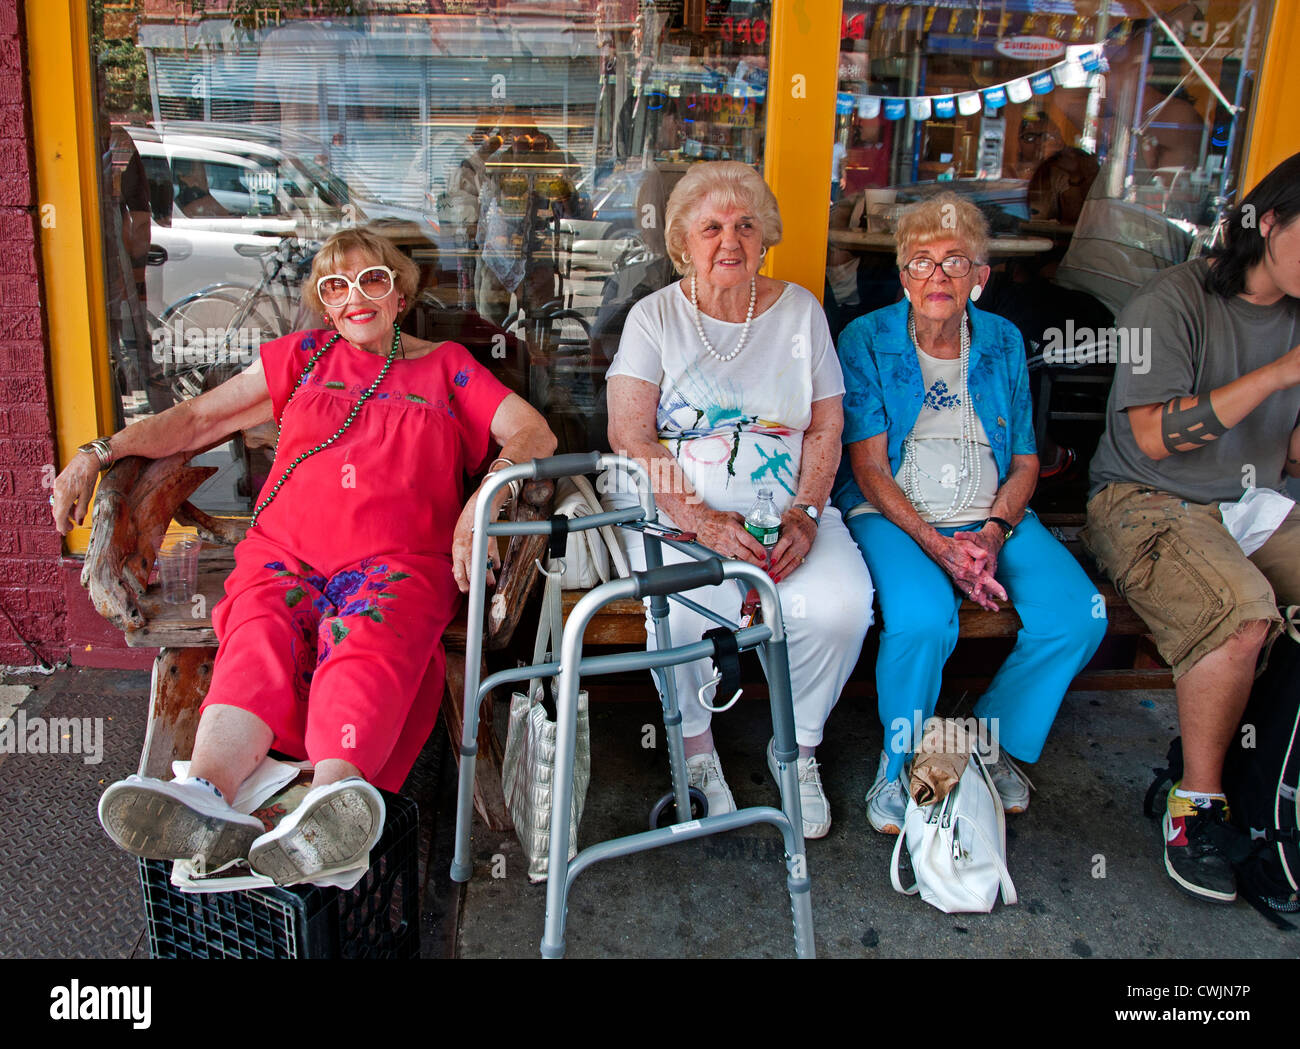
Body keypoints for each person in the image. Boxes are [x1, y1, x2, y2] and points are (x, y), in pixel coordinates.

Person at [53, 226, 556, 884]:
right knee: (257, 632)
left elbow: (531, 431)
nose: (356, 296)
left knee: (367, 636)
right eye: (336, 286)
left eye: (372, 280)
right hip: (286, 556)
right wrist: (97, 453)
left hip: (397, 560)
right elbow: (197, 419)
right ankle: (206, 791)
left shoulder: (447, 368)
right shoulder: (304, 357)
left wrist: (481, 496)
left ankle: (332, 799)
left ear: (399, 295)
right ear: (324, 303)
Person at [606, 161, 874, 839]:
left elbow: (827, 424)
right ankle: (696, 753)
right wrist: (697, 519)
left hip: (786, 510)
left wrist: (806, 515)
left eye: (746, 225)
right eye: (713, 227)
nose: (731, 240)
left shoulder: (800, 312)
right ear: (684, 243)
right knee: (683, 616)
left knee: (839, 606)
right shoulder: (654, 317)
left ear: (765, 237)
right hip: (681, 511)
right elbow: (631, 434)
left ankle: (798, 750)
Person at [832, 191, 1107, 835]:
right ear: (902, 275)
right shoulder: (867, 338)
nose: (936, 276)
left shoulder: (1004, 341)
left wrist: (990, 532)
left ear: (979, 278)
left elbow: (1027, 464)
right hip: (899, 515)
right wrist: (939, 545)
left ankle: (984, 741)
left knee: (1080, 614)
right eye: (921, 261)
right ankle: (899, 764)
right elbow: (869, 471)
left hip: (990, 517)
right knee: (924, 619)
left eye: (955, 262)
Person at [1083, 152, 1300, 904]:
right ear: (1268, 223)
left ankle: (1265, 778)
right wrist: (1277, 374)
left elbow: (1290, 446)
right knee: (1242, 615)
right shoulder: (1173, 300)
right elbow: (1151, 437)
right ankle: (1195, 802)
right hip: (1147, 499)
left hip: (1258, 502)